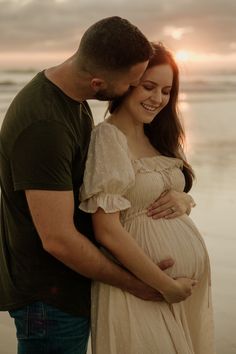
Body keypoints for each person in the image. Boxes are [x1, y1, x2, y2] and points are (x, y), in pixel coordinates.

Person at [0, 17, 195, 354]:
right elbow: (58, 239)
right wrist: (142, 285)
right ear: (98, 83)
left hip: (69, 291)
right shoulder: (46, 126)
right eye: (135, 83)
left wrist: (180, 197)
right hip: (50, 299)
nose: (139, 91)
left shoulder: (72, 103)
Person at [79, 43, 215, 353]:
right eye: (149, 87)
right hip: (142, 289)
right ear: (127, 85)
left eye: (166, 91)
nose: (158, 99)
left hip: (180, 291)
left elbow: (166, 191)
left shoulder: (159, 136)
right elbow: (106, 230)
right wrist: (165, 286)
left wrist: (185, 200)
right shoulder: (108, 138)